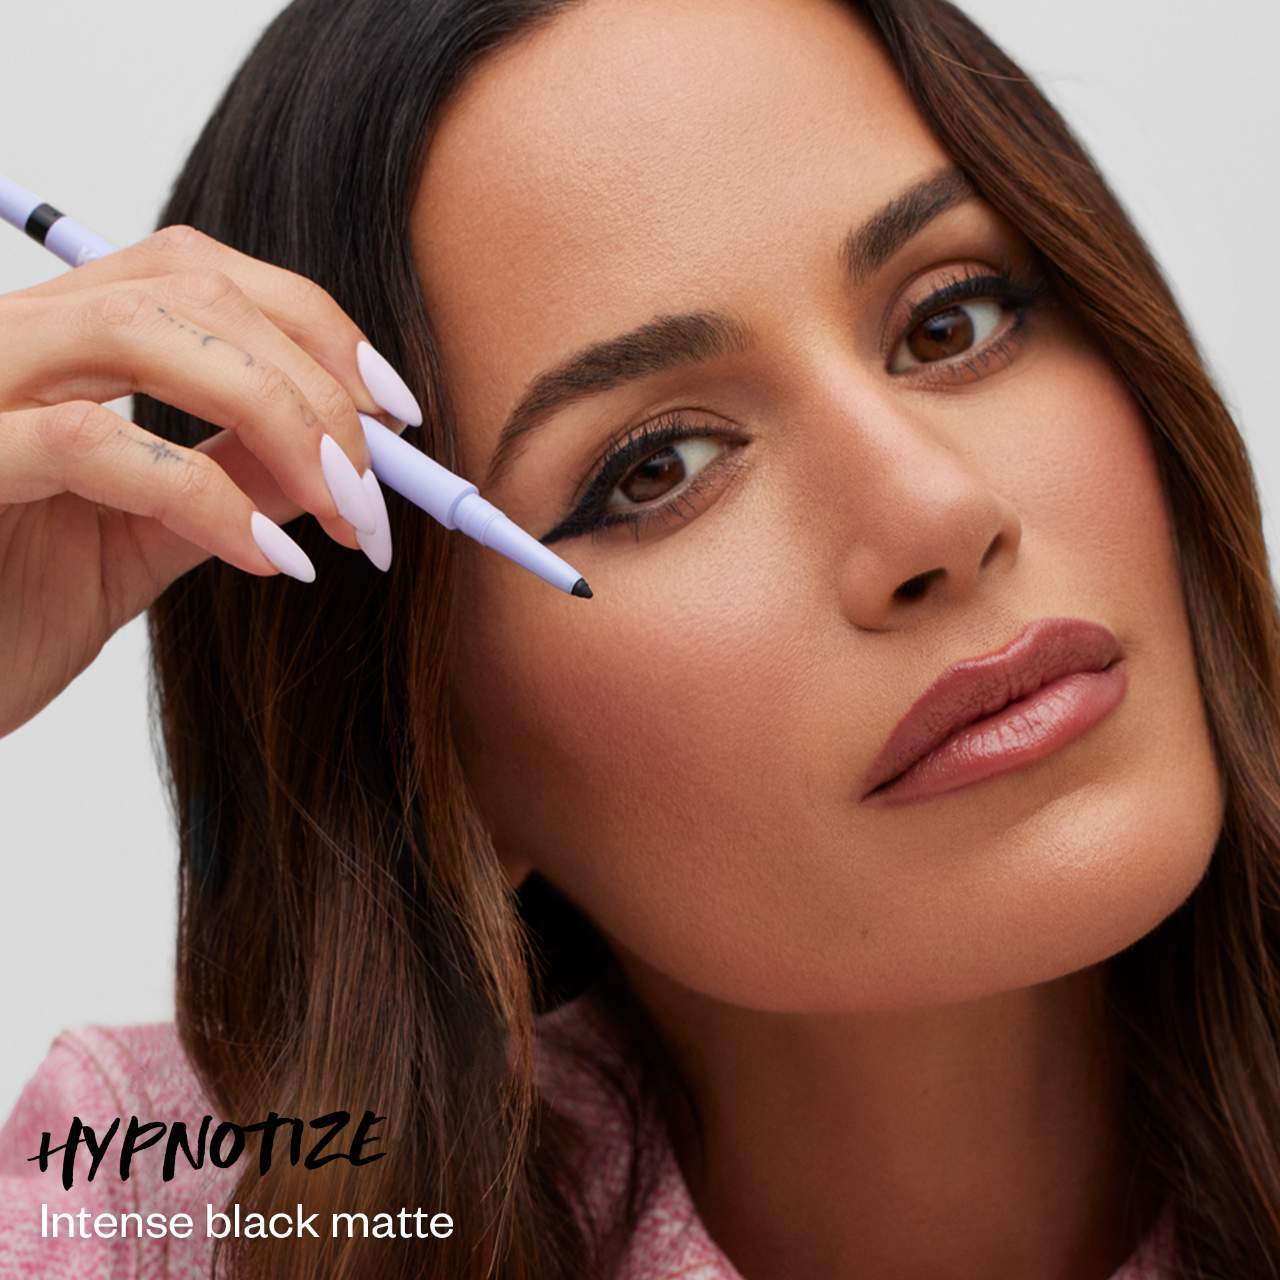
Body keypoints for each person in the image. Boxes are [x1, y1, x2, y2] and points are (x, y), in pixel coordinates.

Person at [1, 0, 1276, 1276]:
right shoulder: (155, 1211)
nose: (936, 513)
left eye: (951, 322)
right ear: (437, 748)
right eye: (656, 468)